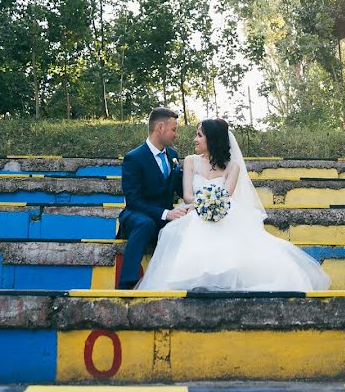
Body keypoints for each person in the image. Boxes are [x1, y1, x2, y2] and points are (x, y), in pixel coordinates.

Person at [136, 118, 331, 291]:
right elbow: (187, 195)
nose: (195, 140)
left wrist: (213, 205)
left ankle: (225, 276)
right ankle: (191, 275)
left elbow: (226, 196)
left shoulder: (232, 167)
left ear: (212, 139)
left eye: (199, 136)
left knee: (226, 231)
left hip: (223, 211)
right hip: (195, 209)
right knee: (180, 230)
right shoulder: (190, 161)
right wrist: (203, 204)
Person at [116, 107, 187, 289]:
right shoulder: (134, 158)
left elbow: (180, 188)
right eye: (174, 129)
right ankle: (126, 284)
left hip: (164, 215)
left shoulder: (173, 155)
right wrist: (166, 214)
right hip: (136, 214)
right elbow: (133, 200)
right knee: (145, 223)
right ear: (160, 127)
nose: (176, 134)